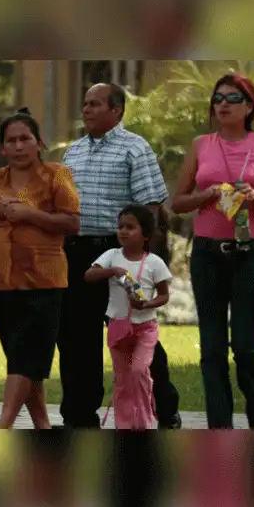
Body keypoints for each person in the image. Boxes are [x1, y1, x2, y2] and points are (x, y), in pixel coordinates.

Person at [170, 73, 254, 429]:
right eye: (218, 98)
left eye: (232, 98)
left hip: (250, 251)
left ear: (249, 106)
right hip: (208, 254)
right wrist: (205, 196)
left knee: (244, 344)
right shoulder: (200, 145)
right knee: (212, 348)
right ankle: (219, 427)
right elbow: (177, 202)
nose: (222, 104)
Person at [58, 82, 173, 429]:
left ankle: (164, 407)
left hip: (120, 253)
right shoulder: (73, 152)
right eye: (85, 104)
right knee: (76, 339)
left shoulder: (135, 149)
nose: (86, 110)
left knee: (135, 332)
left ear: (116, 110)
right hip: (77, 254)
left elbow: (150, 209)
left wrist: (142, 260)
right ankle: (78, 415)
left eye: (95, 104)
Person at [0, 108, 81, 429]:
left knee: (26, 359)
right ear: (2, 148)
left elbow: (72, 222)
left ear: (38, 143)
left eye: (25, 139)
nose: (18, 146)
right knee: (25, 361)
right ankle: (43, 425)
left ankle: (4, 425)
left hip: (45, 281)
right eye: (11, 141)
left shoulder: (57, 175)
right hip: (1, 283)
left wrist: (31, 214)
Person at [86, 205, 172, 430]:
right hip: (118, 326)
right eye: (120, 226)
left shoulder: (154, 263)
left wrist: (147, 303)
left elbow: (164, 295)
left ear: (145, 235)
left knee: (139, 371)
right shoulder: (112, 256)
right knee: (123, 379)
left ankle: (143, 421)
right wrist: (113, 271)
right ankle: (124, 425)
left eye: (130, 227)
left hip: (145, 328)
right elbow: (89, 275)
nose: (123, 231)